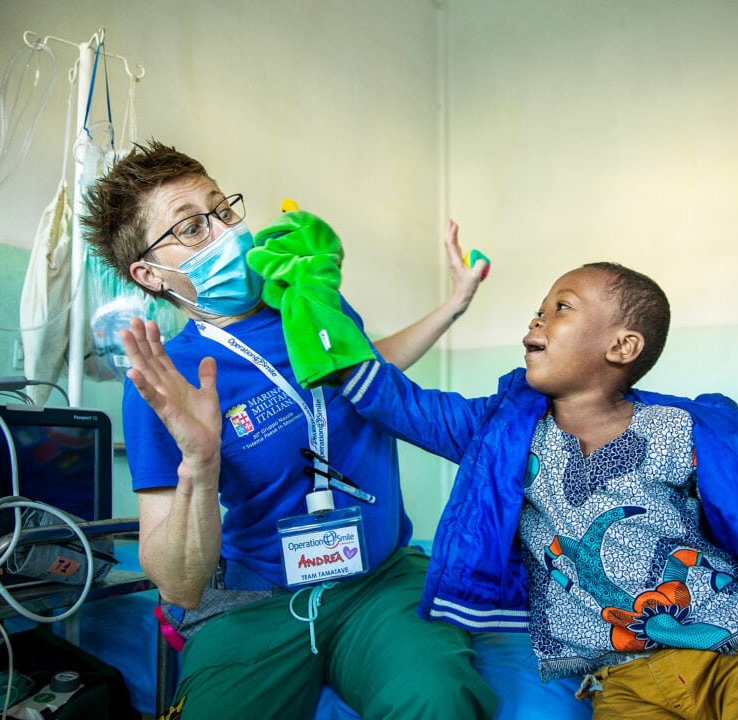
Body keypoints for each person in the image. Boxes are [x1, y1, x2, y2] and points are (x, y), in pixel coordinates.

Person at [334, 260, 738, 719]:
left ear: (621, 346)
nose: (534, 321)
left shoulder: (681, 431)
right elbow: (396, 401)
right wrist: (311, 308)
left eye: (559, 309)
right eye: (537, 310)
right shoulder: (498, 432)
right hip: (619, 682)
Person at [79, 140, 498, 720]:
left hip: (378, 583)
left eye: (223, 209)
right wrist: (200, 463)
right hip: (259, 602)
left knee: (440, 701)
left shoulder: (309, 303)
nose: (226, 232)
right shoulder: (161, 380)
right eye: (193, 228)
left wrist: (453, 304)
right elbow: (177, 585)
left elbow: (367, 374)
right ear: (150, 274)